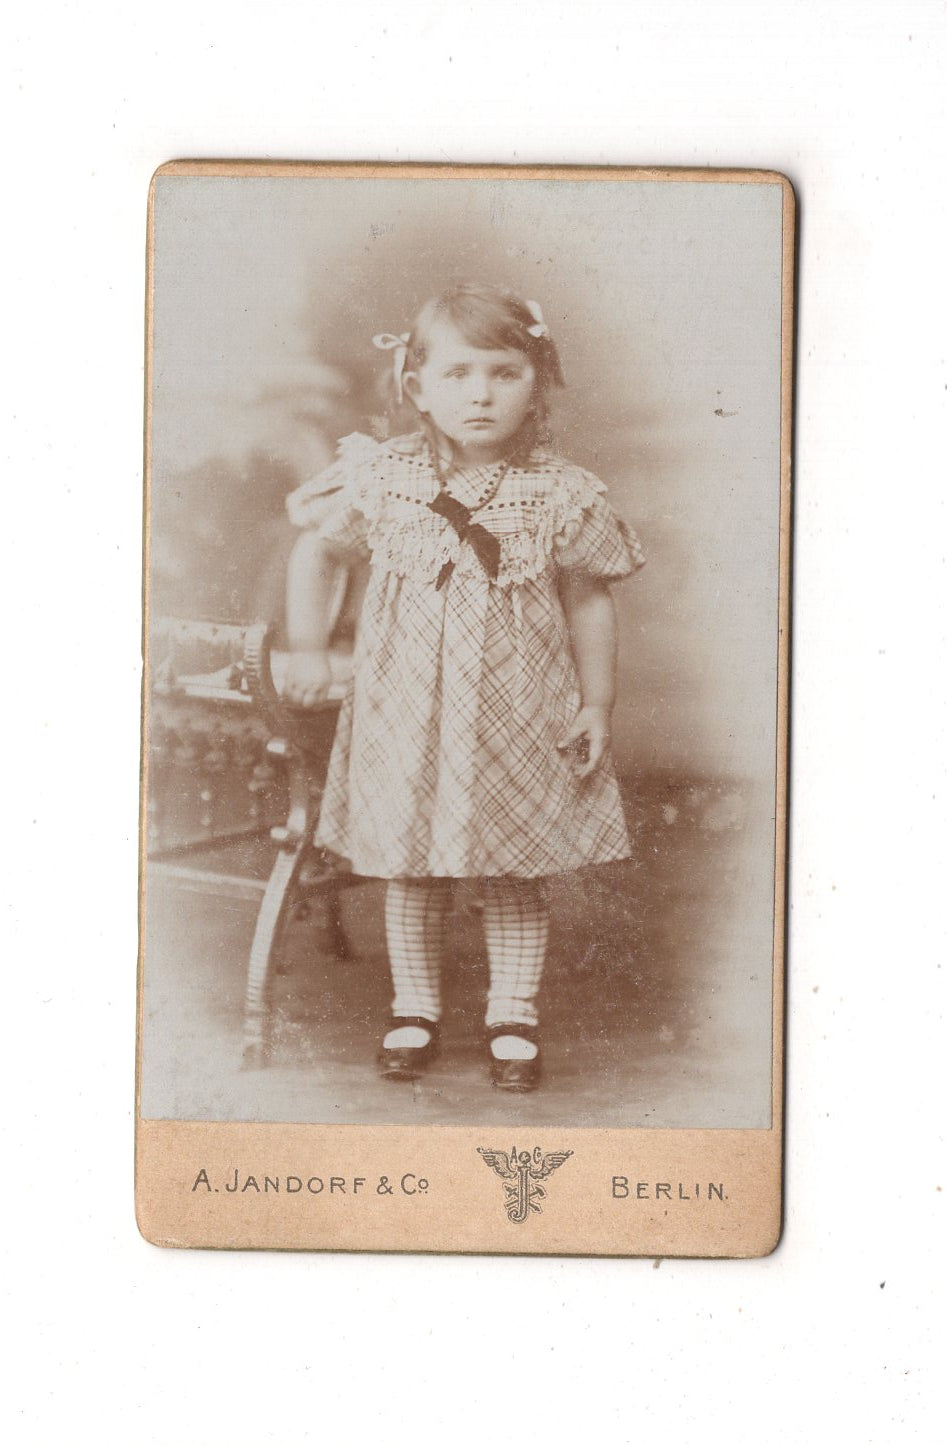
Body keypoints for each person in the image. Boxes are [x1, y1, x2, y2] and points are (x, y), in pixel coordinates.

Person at [283, 282, 644, 1091]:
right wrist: (306, 647)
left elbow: (589, 597)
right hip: (408, 712)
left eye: (503, 372)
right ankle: (413, 1009)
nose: (480, 394)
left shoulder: (560, 491)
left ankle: (512, 1014)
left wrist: (596, 702)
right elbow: (318, 550)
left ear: (536, 384)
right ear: (416, 387)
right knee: (413, 864)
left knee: (513, 867)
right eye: (457, 374)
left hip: (518, 713)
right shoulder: (381, 477)